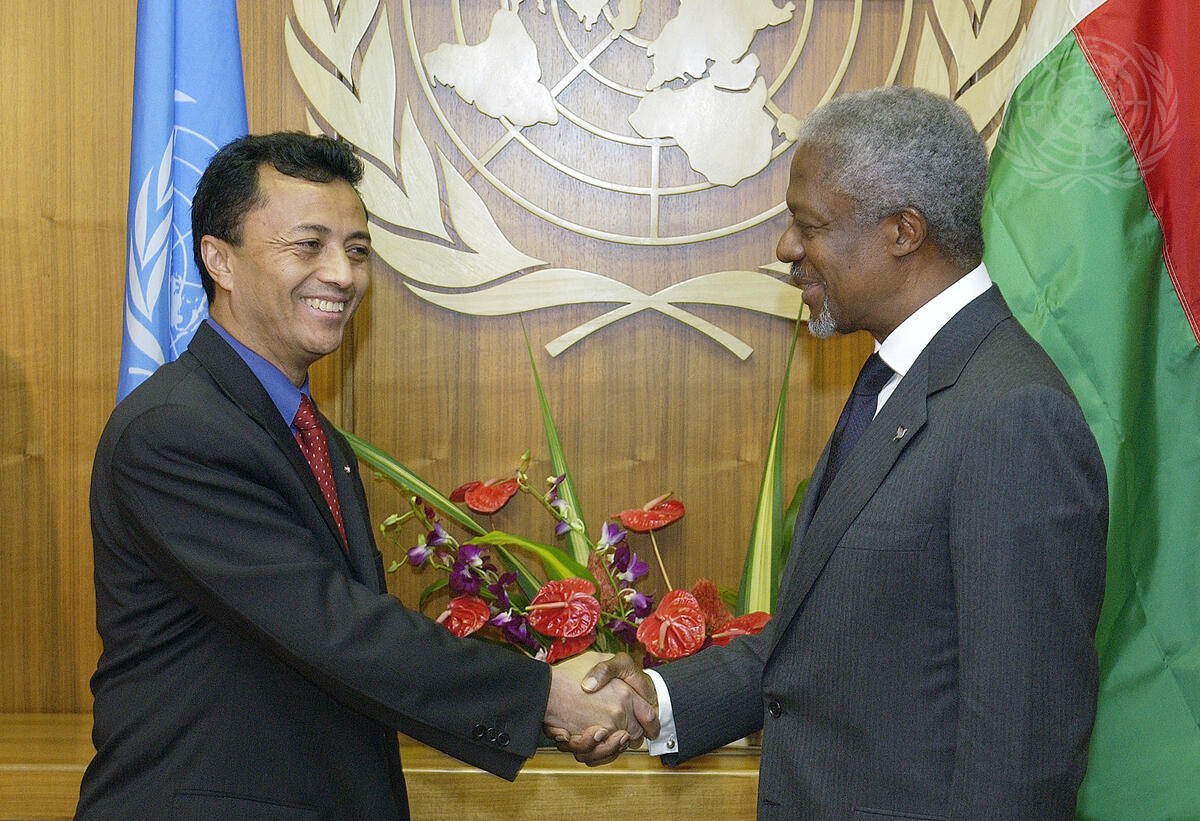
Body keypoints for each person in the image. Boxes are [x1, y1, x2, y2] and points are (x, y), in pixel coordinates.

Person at [563, 86, 1109, 819]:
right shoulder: (895, 379)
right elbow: (819, 644)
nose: (787, 248)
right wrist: (653, 701)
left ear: (903, 231)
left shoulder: (1013, 414)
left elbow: (1022, 754)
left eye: (809, 225)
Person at [78, 132, 652, 819]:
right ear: (219, 260)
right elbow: (334, 628)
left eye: (356, 250)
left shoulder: (307, 431)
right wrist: (542, 695)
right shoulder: (175, 431)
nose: (343, 274)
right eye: (308, 245)